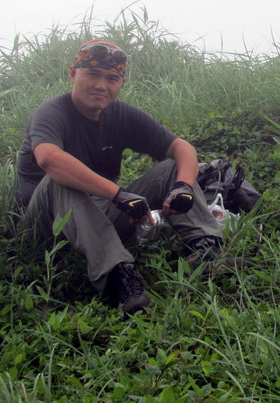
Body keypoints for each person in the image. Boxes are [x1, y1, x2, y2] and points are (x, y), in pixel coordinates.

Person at [17, 40, 225, 313]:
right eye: (92, 74)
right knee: (60, 178)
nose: (101, 85)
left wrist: (183, 186)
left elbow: (181, 147)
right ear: (72, 74)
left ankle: (206, 249)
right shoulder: (52, 113)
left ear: (121, 82)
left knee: (171, 168)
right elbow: (49, 159)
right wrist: (117, 194)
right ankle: (120, 277)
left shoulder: (120, 114)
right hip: (50, 225)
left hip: (100, 212)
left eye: (112, 78)